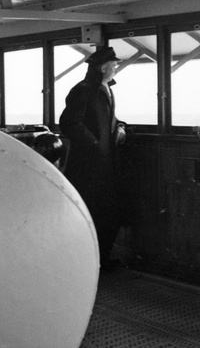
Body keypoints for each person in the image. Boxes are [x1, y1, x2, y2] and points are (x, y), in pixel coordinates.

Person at [59, 46, 128, 271]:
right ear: (104, 67)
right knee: (91, 213)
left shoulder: (104, 89)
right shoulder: (83, 90)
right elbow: (70, 124)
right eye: (114, 65)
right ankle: (88, 265)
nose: (116, 69)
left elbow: (107, 120)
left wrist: (120, 127)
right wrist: (95, 145)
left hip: (105, 165)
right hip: (88, 167)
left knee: (106, 213)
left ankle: (101, 261)